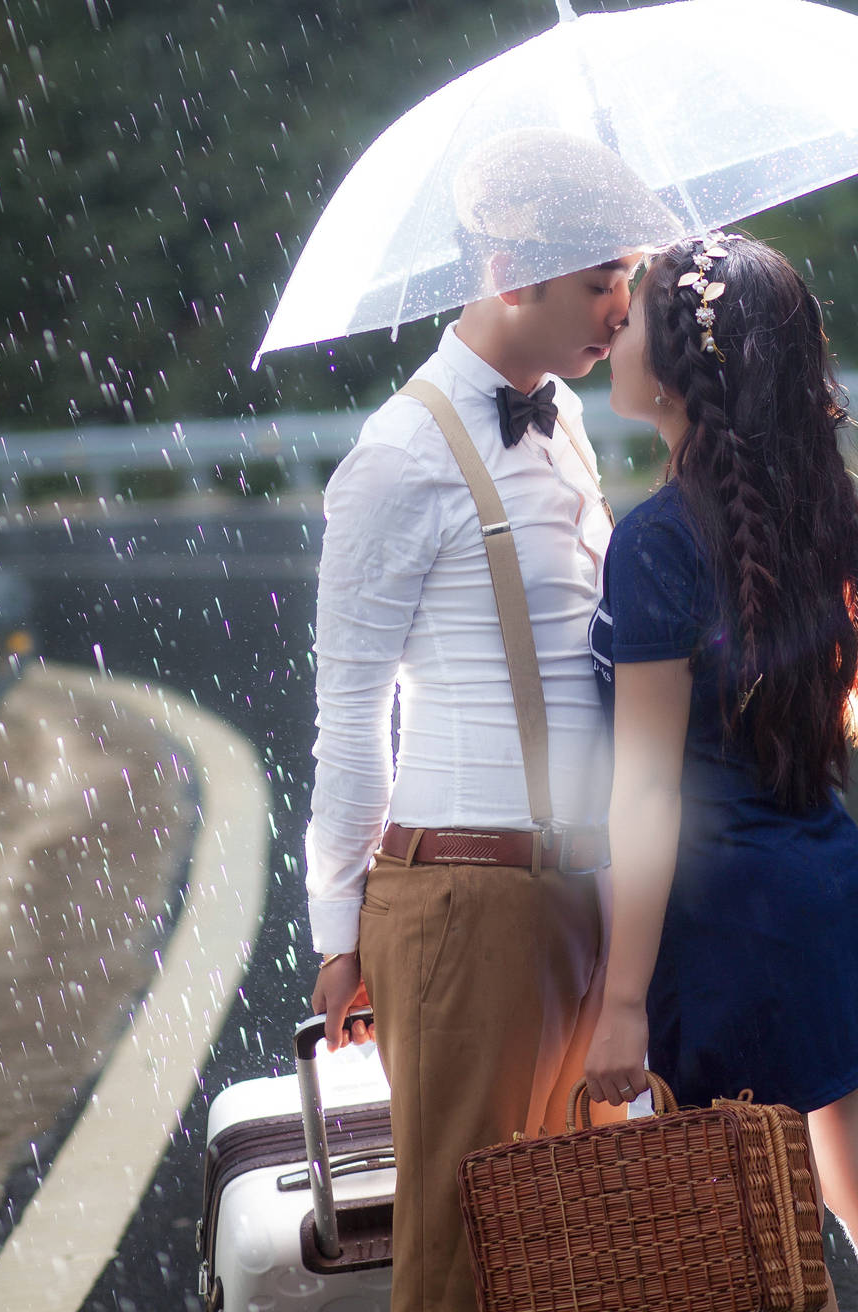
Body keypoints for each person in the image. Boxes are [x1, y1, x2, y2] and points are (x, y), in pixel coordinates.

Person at [307, 128, 682, 1312]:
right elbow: (350, 712)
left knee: (582, 1252)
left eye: (625, 279)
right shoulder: (396, 458)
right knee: (464, 1261)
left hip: (586, 892)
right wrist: (337, 929)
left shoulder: (562, 415)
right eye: (598, 282)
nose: (622, 311)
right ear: (511, 268)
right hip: (467, 900)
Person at [584, 233, 858, 1312]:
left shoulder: (658, 544)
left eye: (635, 314)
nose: (613, 328)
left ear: (682, 367)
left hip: (724, 924)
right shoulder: (809, 504)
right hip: (822, 880)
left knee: (738, 1230)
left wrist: (620, 1002)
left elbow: (648, 794)